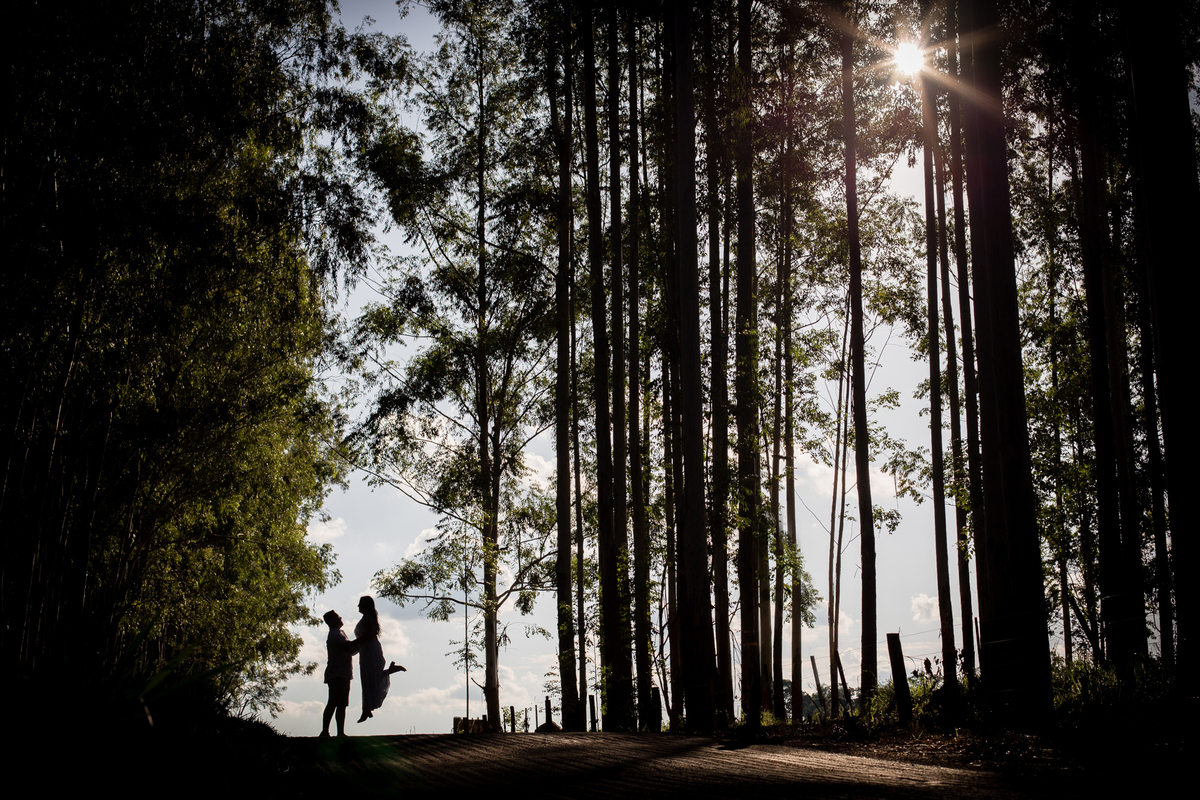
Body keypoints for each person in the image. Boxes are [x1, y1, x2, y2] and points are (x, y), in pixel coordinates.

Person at [354, 595, 406, 723]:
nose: (358, 606)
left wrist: (352, 643)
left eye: (360, 604)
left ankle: (366, 709)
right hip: (368, 650)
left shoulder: (367, 618)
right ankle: (366, 709)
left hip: (370, 650)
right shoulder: (368, 618)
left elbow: (369, 636)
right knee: (369, 678)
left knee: (369, 678)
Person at [320, 609, 360, 738]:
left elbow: (351, 649)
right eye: (337, 617)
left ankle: (340, 732)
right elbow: (349, 648)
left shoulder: (340, 633)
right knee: (333, 702)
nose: (340, 618)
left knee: (342, 704)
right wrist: (363, 641)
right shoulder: (335, 635)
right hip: (337, 673)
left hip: (343, 673)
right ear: (331, 621)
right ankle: (325, 731)